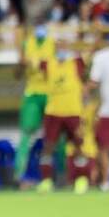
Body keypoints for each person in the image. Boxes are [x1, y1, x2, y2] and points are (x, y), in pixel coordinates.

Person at [37, 36, 90, 194]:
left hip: (73, 111)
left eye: (64, 46)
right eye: (58, 46)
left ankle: (81, 180)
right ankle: (46, 181)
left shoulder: (76, 63)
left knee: (78, 146)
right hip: (53, 112)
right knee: (48, 147)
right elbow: (33, 63)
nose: (61, 49)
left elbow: (90, 53)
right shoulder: (48, 64)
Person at [15, 24, 56, 185]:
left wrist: (40, 65)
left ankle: (59, 176)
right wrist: (21, 63)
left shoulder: (53, 43)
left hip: (51, 94)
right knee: (26, 135)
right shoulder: (26, 44)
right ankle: (19, 177)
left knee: (55, 136)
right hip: (32, 94)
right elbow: (17, 75)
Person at [89, 32, 109, 191]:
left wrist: (82, 91)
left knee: (104, 148)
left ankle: (106, 182)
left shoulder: (101, 56)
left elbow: (93, 82)